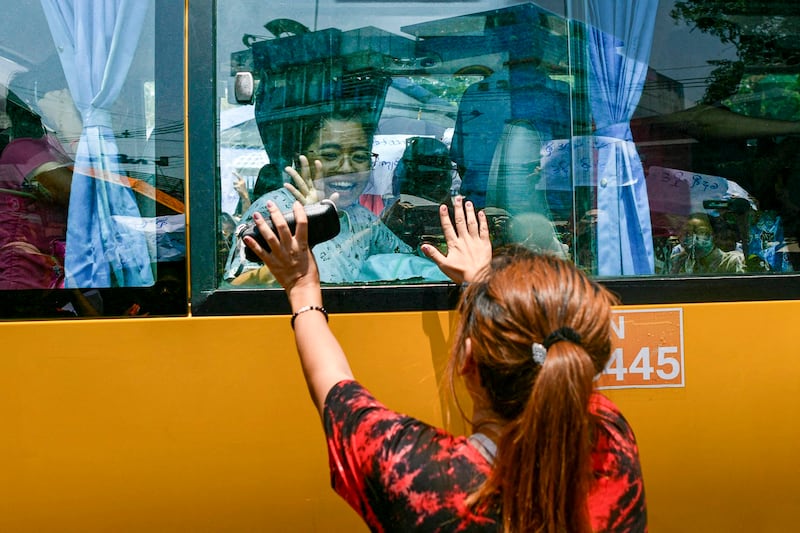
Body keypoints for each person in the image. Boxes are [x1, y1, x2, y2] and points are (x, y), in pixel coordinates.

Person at [243, 195, 647, 531]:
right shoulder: (612, 440)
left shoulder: (425, 479)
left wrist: (301, 284)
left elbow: (334, 389)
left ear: (468, 361)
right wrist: (482, 285)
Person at [224, 111, 445, 284]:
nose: (347, 167)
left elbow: (408, 262)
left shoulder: (362, 219)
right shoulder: (271, 210)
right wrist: (305, 231)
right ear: (298, 158)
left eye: (359, 156)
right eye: (330, 155)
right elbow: (236, 290)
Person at [669, 213, 745, 274]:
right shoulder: (681, 262)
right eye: (687, 233)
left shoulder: (733, 261)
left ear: (715, 236)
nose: (693, 238)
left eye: (701, 232)